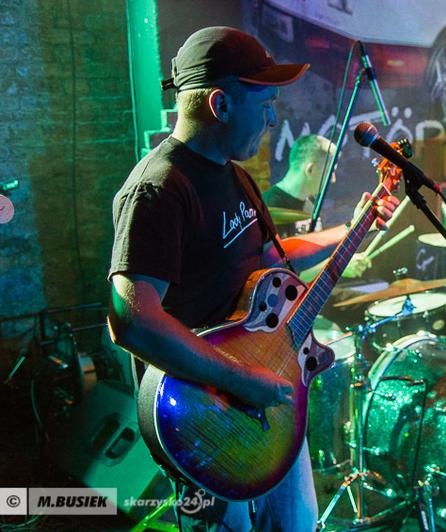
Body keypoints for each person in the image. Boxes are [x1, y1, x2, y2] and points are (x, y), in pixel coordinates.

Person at [106, 26, 398, 531]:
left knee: (298, 523)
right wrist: (240, 380)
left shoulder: (233, 174)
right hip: (208, 415)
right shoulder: (159, 189)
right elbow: (132, 321)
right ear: (220, 104)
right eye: (264, 106)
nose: (271, 120)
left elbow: (270, 259)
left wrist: (353, 228)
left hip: (264, 390)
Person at [264, 134, 372, 282]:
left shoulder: (310, 202)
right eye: (330, 172)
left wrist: (345, 261)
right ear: (311, 169)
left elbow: (311, 257)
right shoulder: (270, 206)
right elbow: (279, 272)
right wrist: (338, 266)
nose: (333, 180)